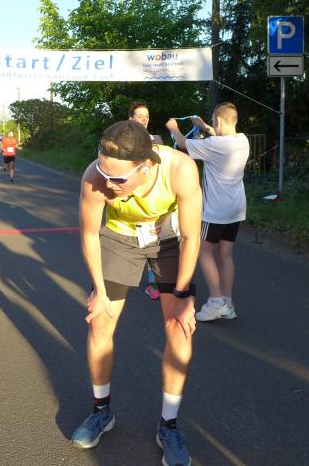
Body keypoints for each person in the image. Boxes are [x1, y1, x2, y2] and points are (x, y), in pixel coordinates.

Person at [71, 121, 201, 466]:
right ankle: (101, 411)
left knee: (179, 327)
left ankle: (168, 426)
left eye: (118, 179)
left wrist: (184, 295)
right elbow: (89, 236)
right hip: (119, 237)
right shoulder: (95, 176)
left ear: (145, 166)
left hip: (168, 239)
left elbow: (191, 237)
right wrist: (100, 291)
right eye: (104, 173)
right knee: (100, 321)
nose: (108, 184)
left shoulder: (180, 169)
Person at [166, 102, 249, 322]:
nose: (212, 125)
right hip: (236, 208)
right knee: (225, 255)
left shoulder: (214, 145)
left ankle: (215, 302)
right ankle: (227, 303)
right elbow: (219, 136)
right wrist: (204, 126)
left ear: (219, 121)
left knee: (204, 252)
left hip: (215, 211)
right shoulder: (242, 140)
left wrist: (173, 128)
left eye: (213, 121)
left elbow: (182, 143)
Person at [128, 101, 163, 299]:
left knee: (151, 243)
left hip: (152, 198)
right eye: (139, 115)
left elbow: (164, 166)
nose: (144, 119)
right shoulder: (122, 140)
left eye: (147, 116)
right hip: (128, 199)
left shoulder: (156, 139)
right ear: (131, 119)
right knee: (129, 243)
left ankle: (153, 284)